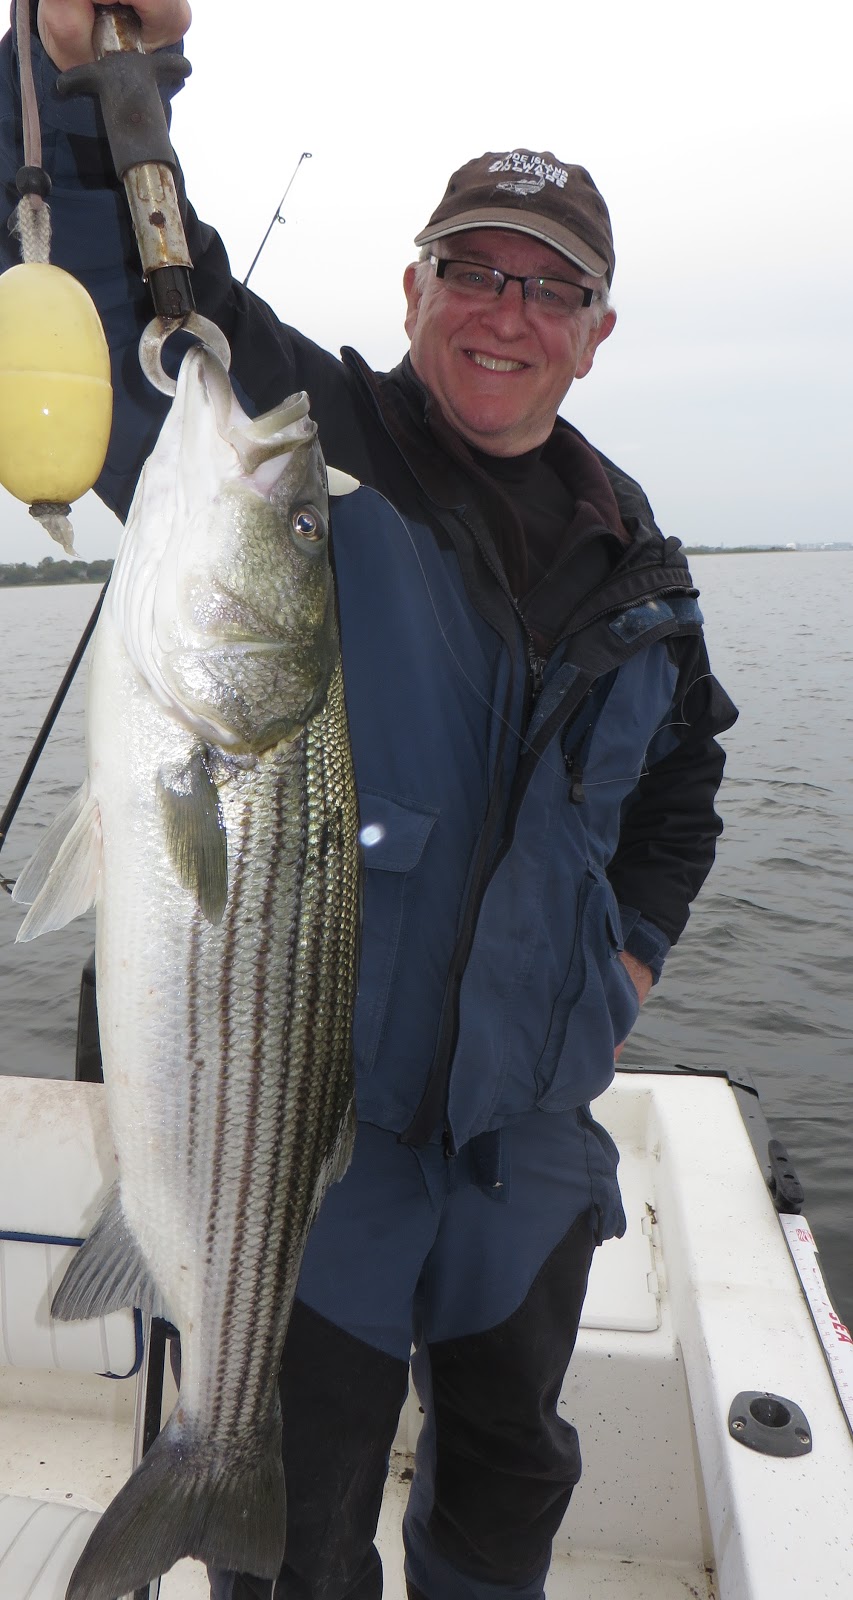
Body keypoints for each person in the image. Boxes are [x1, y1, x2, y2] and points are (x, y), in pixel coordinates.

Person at [2, 5, 738, 1597]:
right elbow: (144, 288)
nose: (504, 312)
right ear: (410, 289)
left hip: (526, 1150)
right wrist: (91, 75)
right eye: (471, 270)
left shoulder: (643, 567)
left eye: (550, 286)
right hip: (307, 1142)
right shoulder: (309, 450)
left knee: (505, 1488)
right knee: (297, 1518)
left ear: (596, 333)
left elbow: (686, 778)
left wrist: (626, 970)